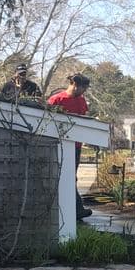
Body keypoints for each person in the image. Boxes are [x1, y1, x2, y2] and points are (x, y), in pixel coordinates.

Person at [47, 74, 93, 220]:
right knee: (62, 176)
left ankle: (74, 209)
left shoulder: (81, 100)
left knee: (71, 177)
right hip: (58, 144)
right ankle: (76, 209)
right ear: (74, 84)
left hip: (76, 145)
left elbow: (83, 120)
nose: (84, 91)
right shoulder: (57, 100)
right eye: (83, 88)